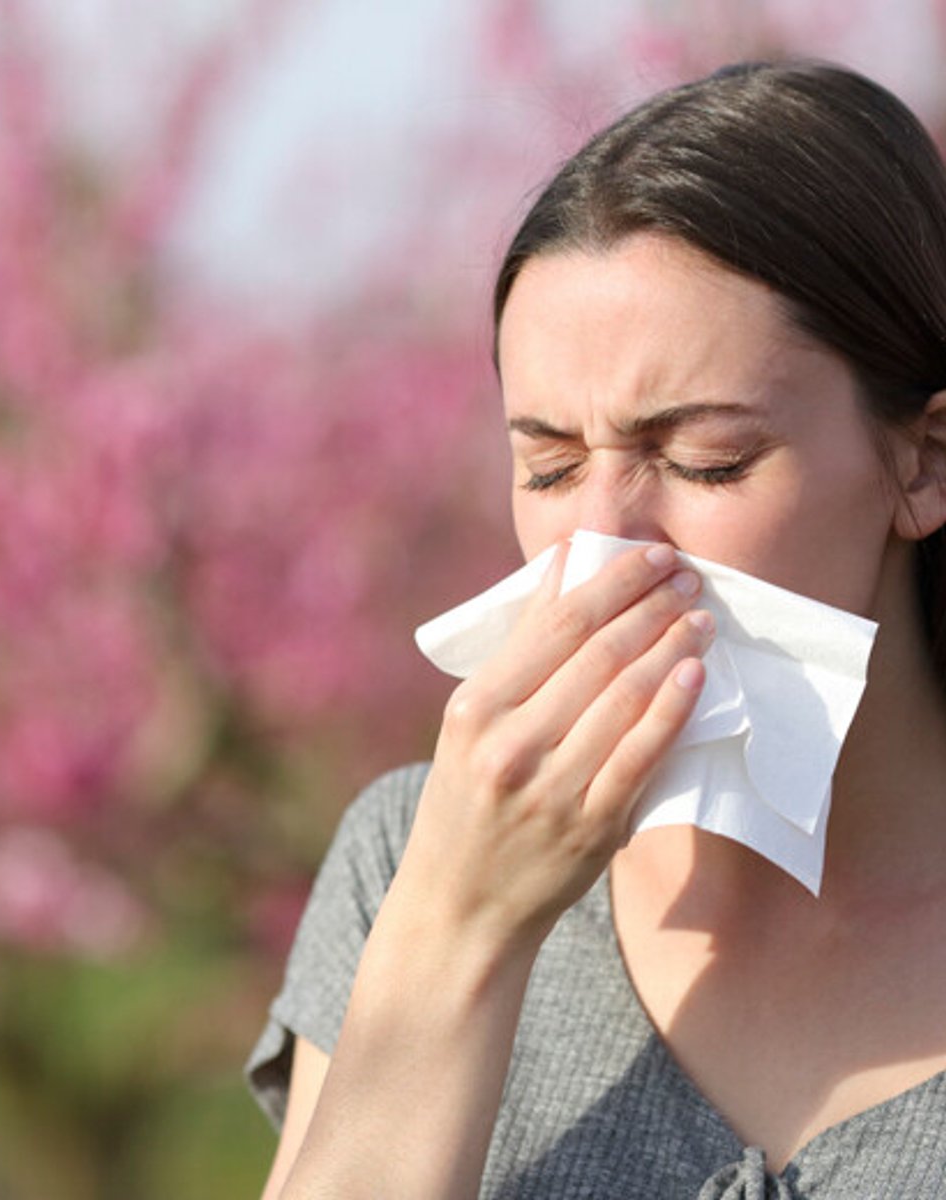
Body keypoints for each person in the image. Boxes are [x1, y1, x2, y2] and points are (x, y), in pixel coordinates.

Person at [247, 60, 946, 1199]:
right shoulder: (406, 857)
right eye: (552, 466)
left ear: (922, 462)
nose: (605, 548)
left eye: (704, 460)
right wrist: (459, 929)